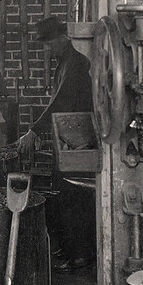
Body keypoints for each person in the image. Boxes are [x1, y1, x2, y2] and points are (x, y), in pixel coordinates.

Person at [16, 17, 95, 271]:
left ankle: (79, 256)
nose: (47, 49)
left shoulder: (77, 63)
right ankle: (70, 250)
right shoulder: (65, 63)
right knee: (64, 195)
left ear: (63, 38)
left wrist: (33, 132)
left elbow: (60, 103)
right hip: (68, 139)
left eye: (50, 43)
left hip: (80, 142)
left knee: (73, 199)